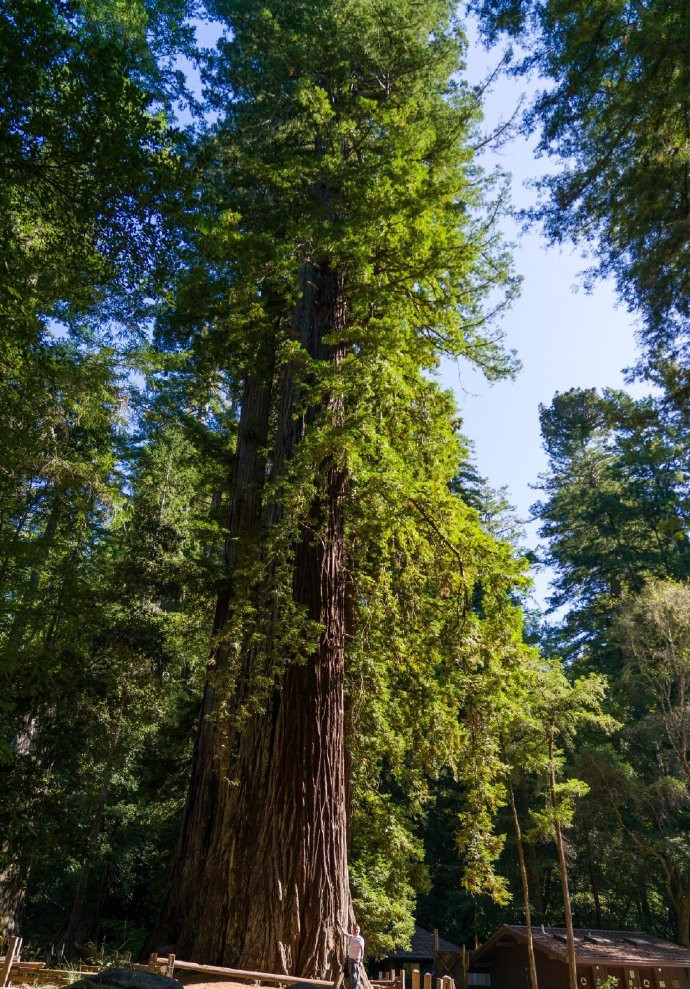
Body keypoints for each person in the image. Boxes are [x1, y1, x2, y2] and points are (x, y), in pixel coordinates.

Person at [339, 923, 365, 989]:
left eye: (357, 929)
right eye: (355, 929)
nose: (356, 931)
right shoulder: (351, 937)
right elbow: (345, 934)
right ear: (353, 930)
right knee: (351, 976)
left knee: (355, 976)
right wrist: (340, 925)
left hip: (356, 960)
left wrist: (361, 960)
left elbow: (362, 950)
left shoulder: (360, 939)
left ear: (359, 931)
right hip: (350, 959)